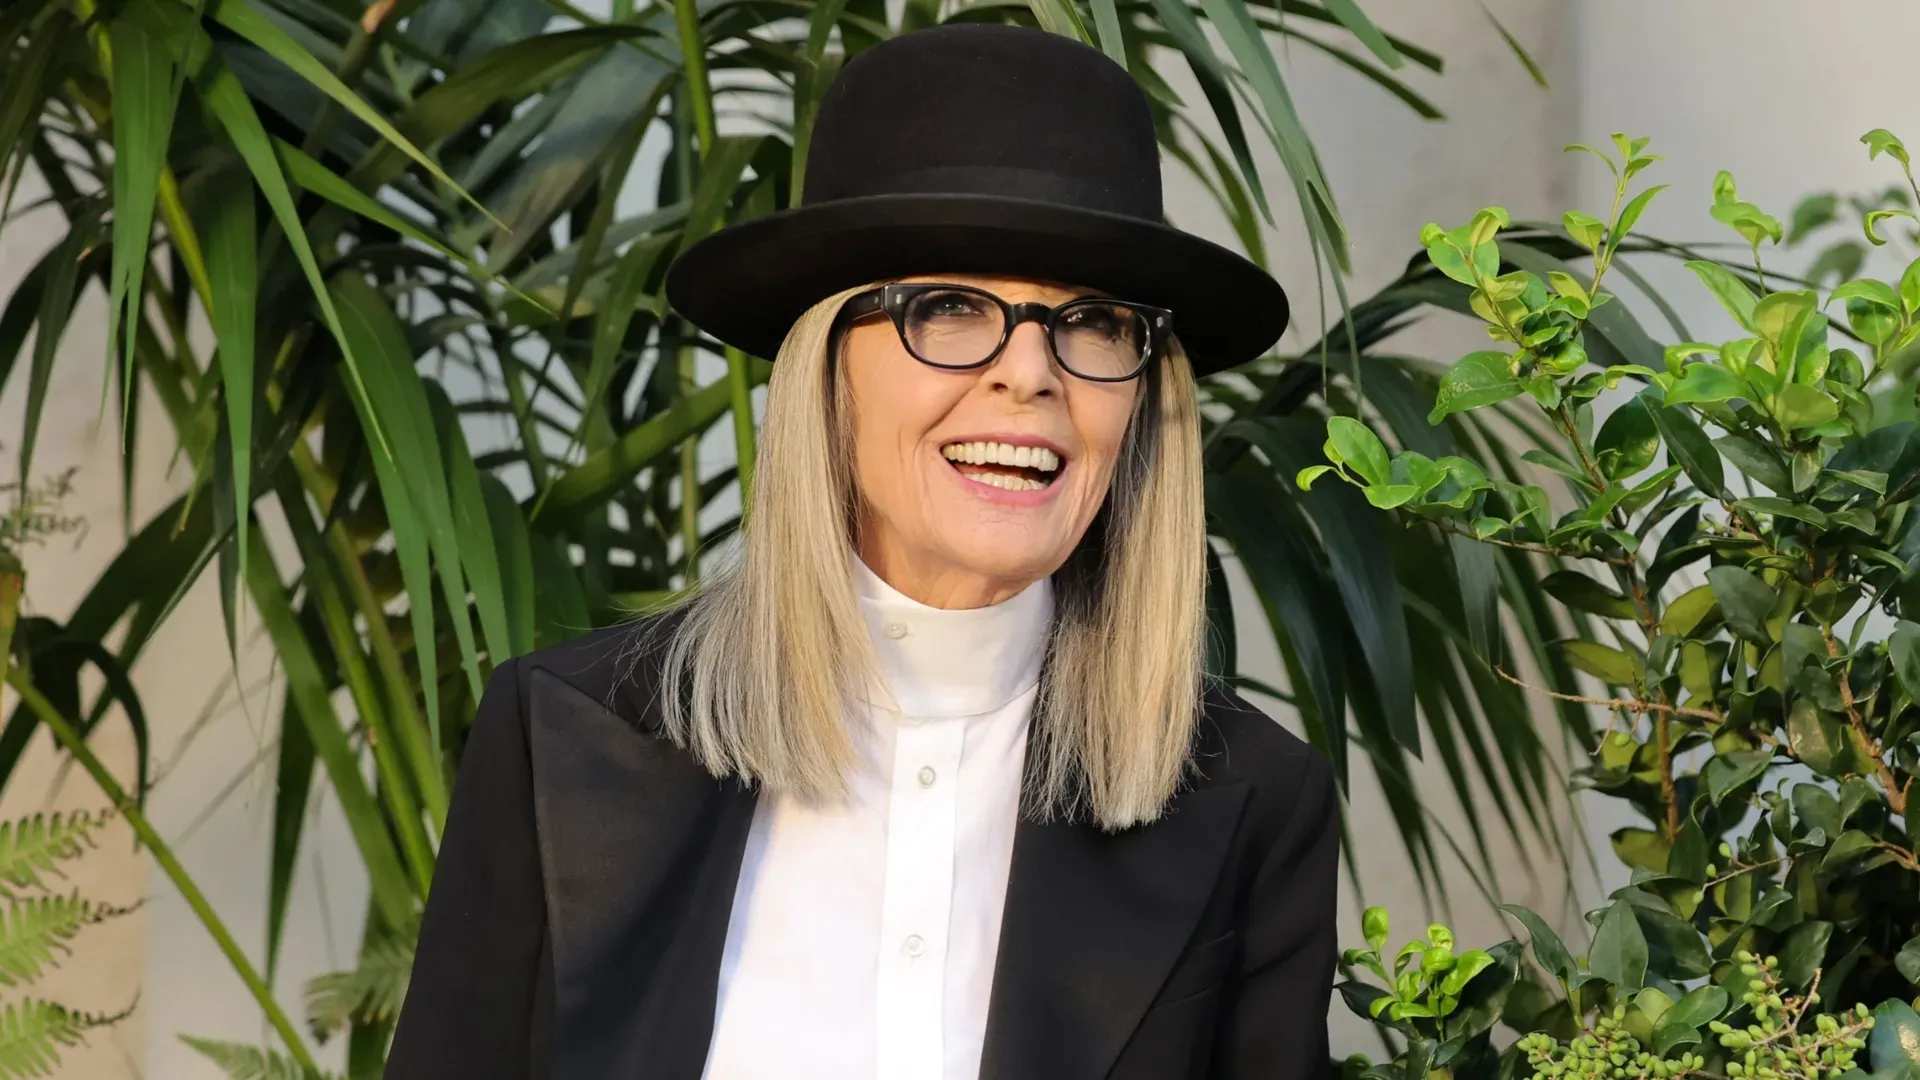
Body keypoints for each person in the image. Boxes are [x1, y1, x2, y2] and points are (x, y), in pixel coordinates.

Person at [384, 20, 1338, 1080]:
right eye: (949, 308)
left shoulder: (1251, 796)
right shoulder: (563, 741)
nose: (1030, 375)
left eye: (1096, 322)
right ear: (826, 370)